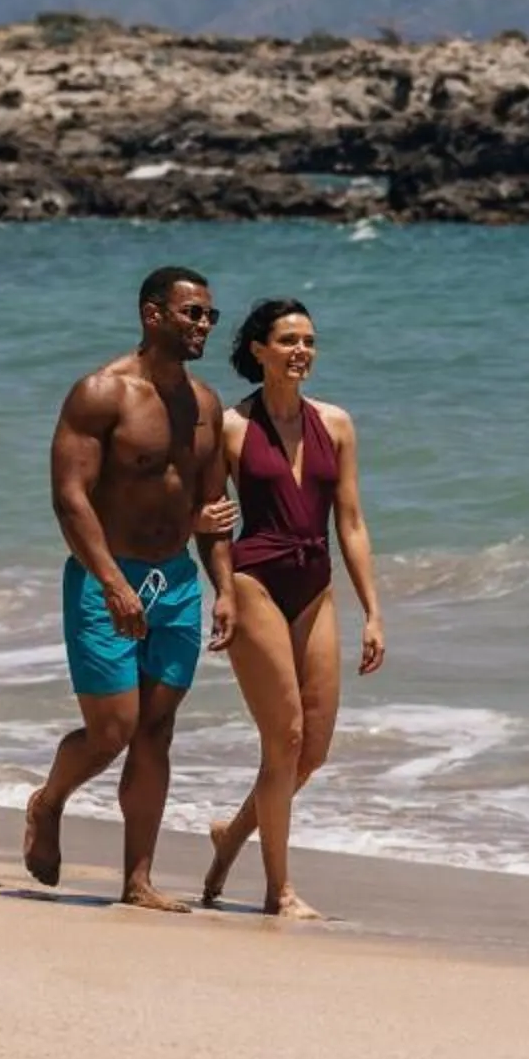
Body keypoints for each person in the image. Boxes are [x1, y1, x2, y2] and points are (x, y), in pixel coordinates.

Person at [21, 265, 234, 910]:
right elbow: (70, 499)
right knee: (113, 729)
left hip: (178, 582)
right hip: (105, 576)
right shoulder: (101, 393)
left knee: (156, 730)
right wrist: (112, 583)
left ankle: (138, 882)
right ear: (153, 314)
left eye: (209, 316)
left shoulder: (205, 406)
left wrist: (223, 588)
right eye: (193, 313)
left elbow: (214, 509)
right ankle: (49, 801)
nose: (203, 325)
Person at [198, 296, 387, 918]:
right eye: (288, 341)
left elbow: (351, 522)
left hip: (315, 584)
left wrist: (373, 611)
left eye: (308, 341)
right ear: (259, 351)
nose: (301, 351)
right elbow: (211, 520)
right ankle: (279, 890)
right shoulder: (230, 426)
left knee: (313, 750)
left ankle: (231, 836)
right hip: (254, 580)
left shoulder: (336, 423)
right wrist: (222, 589)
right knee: (284, 737)